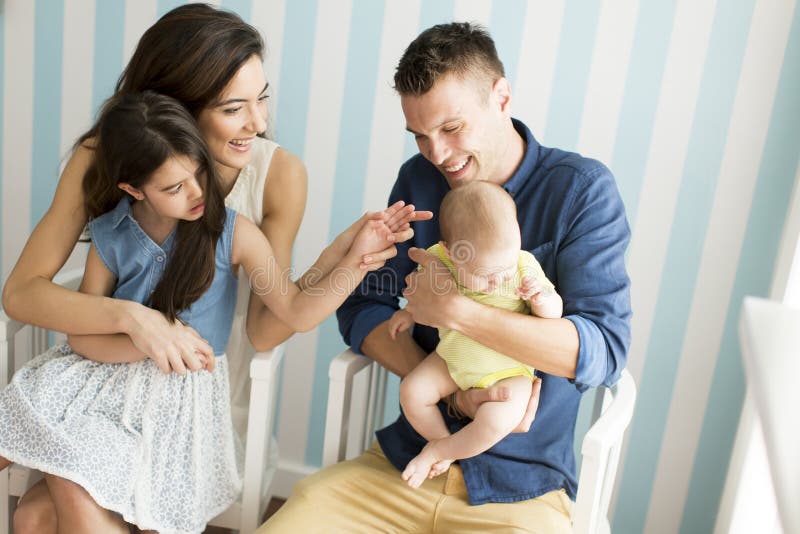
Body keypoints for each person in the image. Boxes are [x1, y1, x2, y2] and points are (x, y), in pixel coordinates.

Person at [0, 4, 422, 532]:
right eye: (233, 108)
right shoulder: (111, 159)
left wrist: (346, 255)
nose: (258, 123)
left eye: (262, 98)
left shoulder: (268, 187)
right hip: (104, 386)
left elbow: (272, 322)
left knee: (40, 513)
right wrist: (138, 321)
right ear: (175, 109)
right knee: (35, 514)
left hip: (193, 405)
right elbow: (24, 294)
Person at [261, 22, 631, 533]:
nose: (436, 153)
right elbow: (364, 306)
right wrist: (451, 395)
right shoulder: (419, 180)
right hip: (403, 466)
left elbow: (603, 351)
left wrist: (458, 312)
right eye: (420, 135)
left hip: (522, 490)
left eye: (452, 128)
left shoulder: (581, 192)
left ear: (501, 98)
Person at [388, 181, 563, 488]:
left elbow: (555, 313)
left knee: (498, 420)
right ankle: (442, 444)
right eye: (485, 275)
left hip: (508, 370)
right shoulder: (439, 260)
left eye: (505, 270)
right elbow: (421, 294)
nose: (499, 281)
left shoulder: (523, 266)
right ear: (450, 251)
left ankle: (440, 451)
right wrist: (408, 312)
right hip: (452, 359)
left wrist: (541, 299)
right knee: (412, 392)